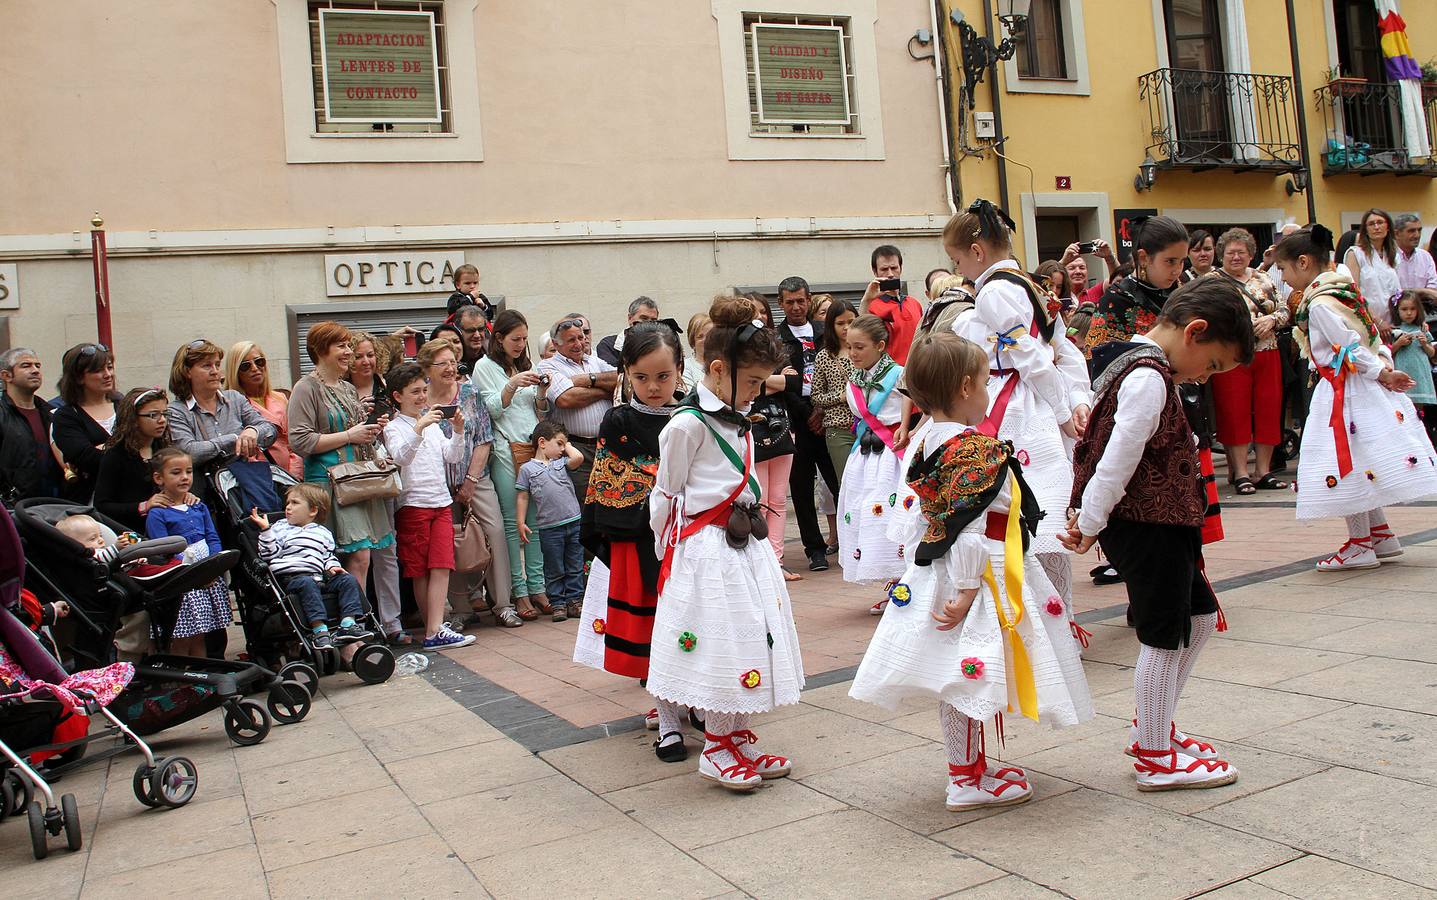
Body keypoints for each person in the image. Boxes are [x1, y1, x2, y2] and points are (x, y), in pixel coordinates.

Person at [850, 332, 1092, 809]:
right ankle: (965, 778)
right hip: (977, 578)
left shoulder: (921, 440)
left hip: (939, 574)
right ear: (964, 388)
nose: (990, 392)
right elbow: (972, 527)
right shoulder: (975, 451)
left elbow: (913, 520)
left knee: (959, 675)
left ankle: (969, 767)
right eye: (985, 382)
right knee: (969, 675)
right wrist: (963, 587)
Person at [1063, 276, 1254, 790]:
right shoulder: (1147, 376)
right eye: (1213, 365)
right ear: (1194, 332)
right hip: (1149, 523)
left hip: (1163, 521)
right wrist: (1090, 519)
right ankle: (1153, 752)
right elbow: (1117, 454)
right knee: (1164, 635)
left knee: (1202, 616)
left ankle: (1156, 725)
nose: (1207, 377)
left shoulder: (1142, 367)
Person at [646, 296, 804, 792]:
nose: (759, 392)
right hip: (707, 550)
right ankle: (715, 748)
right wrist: (669, 552)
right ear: (718, 370)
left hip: (743, 547)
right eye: (754, 381)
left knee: (750, 634)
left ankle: (735, 737)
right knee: (721, 640)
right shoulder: (687, 424)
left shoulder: (740, 416)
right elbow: (666, 494)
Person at [950, 201, 1080, 627]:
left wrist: (1064, 408)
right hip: (1033, 399)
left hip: (1013, 403)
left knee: (1019, 513)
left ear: (977, 251)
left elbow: (1029, 355)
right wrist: (1071, 399)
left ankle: (1032, 621)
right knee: (1042, 517)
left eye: (957, 260)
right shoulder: (1029, 283)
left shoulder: (993, 291)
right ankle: (1055, 615)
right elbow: (1060, 347)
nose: (959, 269)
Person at [1279, 226, 1437, 570]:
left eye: (1286, 269)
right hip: (1362, 385)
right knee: (1363, 459)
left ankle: (1360, 543)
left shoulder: (1319, 303)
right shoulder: (1345, 291)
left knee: (1345, 461)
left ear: (1303, 263)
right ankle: (1379, 533)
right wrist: (1383, 365)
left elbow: (1348, 346)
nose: (1285, 277)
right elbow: (1372, 333)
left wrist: (1380, 372)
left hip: (1344, 389)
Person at [574, 322, 692, 759]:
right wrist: (665, 486)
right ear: (626, 373)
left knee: (686, 623)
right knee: (651, 628)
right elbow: (610, 483)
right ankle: (666, 718)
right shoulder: (618, 420)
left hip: (688, 540)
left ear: (680, 370)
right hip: (636, 541)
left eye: (663, 376)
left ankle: (691, 700)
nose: (654, 387)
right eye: (642, 377)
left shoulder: (693, 414)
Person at [287, 322, 395, 588]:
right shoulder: (306, 387)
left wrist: (370, 433)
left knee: (361, 556)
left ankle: (354, 619)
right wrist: (350, 435)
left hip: (355, 482)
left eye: (348, 345)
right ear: (321, 350)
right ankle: (349, 619)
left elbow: (355, 434)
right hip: (327, 483)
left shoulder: (346, 388)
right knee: (347, 556)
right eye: (341, 346)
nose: (348, 352)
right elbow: (299, 440)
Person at [382, 361, 475, 650]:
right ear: (397, 396)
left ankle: (435, 628)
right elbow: (400, 458)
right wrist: (419, 427)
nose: (423, 397)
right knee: (420, 570)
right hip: (412, 504)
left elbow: (452, 456)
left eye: (424, 390)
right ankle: (432, 628)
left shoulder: (432, 423)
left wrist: (458, 431)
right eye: (415, 392)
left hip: (441, 502)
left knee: (441, 566)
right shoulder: (394, 427)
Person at [431, 339, 522, 627]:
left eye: (451, 362)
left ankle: (503, 604)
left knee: (494, 531)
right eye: (441, 363)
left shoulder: (469, 393)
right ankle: (461, 608)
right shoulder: (421, 398)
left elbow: (484, 439)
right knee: (452, 541)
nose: (449, 368)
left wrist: (470, 479)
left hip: (477, 478)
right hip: (440, 486)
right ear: (427, 369)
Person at [472, 309, 551, 621]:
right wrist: (512, 384)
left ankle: (538, 587)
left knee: (534, 520)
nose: (520, 345)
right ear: (499, 338)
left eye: (524, 339)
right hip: (505, 449)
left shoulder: (522, 364)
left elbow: (539, 412)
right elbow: (489, 410)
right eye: (515, 339)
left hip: (532, 447)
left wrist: (542, 391)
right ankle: (519, 592)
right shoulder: (483, 366)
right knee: (511, 522)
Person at [1209, 228, 1289, 493]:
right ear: (1221, 255)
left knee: (1268, 407)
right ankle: (1241, 472)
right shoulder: (1212, 282)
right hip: (1232, 354)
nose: (1235, 257)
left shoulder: (1263, 279)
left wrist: (1272, 320)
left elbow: (1285, 308)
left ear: (1251, 254)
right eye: (1230, 252)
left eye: (1241, 252)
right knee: (1234, 411)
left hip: (1268, 350)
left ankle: (1263, 470)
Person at [836, 315, 909, 607]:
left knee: (893, 513)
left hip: (891, 455)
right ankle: (892, 585)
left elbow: (911, 397)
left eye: (860, 347)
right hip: (865, 457)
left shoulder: (898, 373)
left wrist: (906, 426)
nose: (853, 353)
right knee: (866, 514)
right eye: (850, 347)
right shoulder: (854, 380)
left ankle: (903, 581)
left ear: (880, 346)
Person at [251, 483, 374, 649]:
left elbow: (327, 555)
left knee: (348, 580)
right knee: (307, 583)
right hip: (292, 578)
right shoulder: (279, 528)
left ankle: (348, 624)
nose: (288, 507)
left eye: (295, 503)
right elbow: (269, 555)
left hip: (318, 577)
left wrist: (332, 566)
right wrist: (266, 531)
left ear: (313, 510)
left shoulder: (323, 533)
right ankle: (319, 629)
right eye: (287, 503)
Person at [345, 330, 407, 645]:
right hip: (353, 476)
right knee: (358, 553)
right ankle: (359, 621)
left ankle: (392, 622)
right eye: (358, 355)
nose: (366, 361)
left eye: (370, 354)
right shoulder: (341, 391)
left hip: (383, 473)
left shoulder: (386, 385)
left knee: (387, 549)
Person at [776, 276, 839, 574]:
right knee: (801, 489)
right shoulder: (777, 339)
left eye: (801, 300)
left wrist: (822, 411)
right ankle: (815, 549)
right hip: (797, 422)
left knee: (840, 482)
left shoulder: (824, 332)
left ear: (809, 299)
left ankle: (851, 541)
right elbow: (782, 383)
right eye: (790, 302)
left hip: (829, 417)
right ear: (781, 304)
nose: (796, 307)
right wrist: (807, 413)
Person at [144, 447, 232, 657]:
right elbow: (162, 549)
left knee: (201, 633)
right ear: (159, 478)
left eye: (189, 471)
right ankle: (183, 681)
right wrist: (190, 574)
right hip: (182, 578)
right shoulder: (158, 513)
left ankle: (202, 679)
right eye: (176, 473)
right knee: (182, 635)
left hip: (207, 574)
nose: (184, 477)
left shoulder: (197, 506)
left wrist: (214, 565)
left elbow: (212, 536)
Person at [165, 339, 278, 482]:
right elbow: (189, 453)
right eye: (207, 366)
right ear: (187, 372)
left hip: (244, 484)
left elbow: (270, 430)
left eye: (217, 365)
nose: (215, 371)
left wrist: (252, 432)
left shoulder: (235, 398)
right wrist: (235, 438)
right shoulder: (177, 411)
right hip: (205, 492)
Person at [537, 315, 619, 501]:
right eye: (571, 340)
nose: (578, 344)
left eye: (581, 337)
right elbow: (566, 399)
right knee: (583, 505)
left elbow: (621, 380)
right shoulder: (547, 365)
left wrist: (587, 379)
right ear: (556, 345)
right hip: (574, 449)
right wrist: (605, 391)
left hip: (606, 446)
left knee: (609, 501)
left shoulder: (594, 362)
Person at [517, 421, 585, 621]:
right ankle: (558, 604)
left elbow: (578, 457)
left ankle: (575, 601)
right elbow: (522, 496)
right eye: (559, 443)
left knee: (574, 564)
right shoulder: (527, 469)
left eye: (564, 445)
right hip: (549, 529)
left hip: (574, 522)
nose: (563, 449)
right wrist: (520, 522)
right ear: (542, 442)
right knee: (554, 567)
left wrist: (567, 445)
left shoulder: (561, 464)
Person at [95, 388, 183, 532]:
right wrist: (144, 506)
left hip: (168, 527)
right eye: (153, 415)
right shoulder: (116, 456)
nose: (162, 420)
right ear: (134, 419)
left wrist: (184, 495)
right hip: (133, 533)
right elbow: (102, 506)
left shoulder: (164, 449)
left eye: (165, 414)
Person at [52, 342, 119, 502]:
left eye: (109, 367)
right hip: (91, 501)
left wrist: (103, 447)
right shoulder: (66, 416)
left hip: (137, 498)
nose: (107, 374)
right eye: (98, 370)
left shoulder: (125, 406)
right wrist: (128, 447)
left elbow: (152, 448)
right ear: (79, 377)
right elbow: (87, 459)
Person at [226, 342, 302, 479]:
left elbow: (292, 441)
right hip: (259, 478)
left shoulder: (281, 397)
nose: (255, 368)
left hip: (290, 476)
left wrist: (294, 476)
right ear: (236, 371)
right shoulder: (232, 405)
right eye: (245, 366)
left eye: (259, 361)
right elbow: (242, 452)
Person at [0, 348, 64, 501]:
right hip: (13, 507)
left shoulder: (52, 413)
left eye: (37, 366)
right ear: (6, 375)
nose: (35, 370)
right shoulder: (2, 414)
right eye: (26, 365)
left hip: (54, 503)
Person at [810, 299, 858, 483]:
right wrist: (840, 397)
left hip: (868, 427)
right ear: (831, 325)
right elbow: (815, 397)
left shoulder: (865, 350)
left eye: (851, 322)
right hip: (838, 430)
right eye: (840, 323)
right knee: (848, 483)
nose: (846, 327)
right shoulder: (824, 356)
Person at [862, 244, 924, 364]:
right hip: (888, 374)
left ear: (901, 268)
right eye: (884, 269)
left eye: (894, 267)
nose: (890, 274)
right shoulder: (871, 306)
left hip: (917, 370)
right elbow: (861, 337)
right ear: (875, 272)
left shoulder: (914, 303)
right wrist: (866, 300)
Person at [1345, 208, 1401, 336]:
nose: (1376, 227)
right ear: (1365, 230)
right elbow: (1353, 292)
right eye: (1371, 224)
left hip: (1394, 324)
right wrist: (1377, 320)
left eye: (1380, 222)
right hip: (1367, 324)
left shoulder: (1394, 255)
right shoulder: (1355, 254)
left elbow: (1400, 292)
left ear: (1388, 227)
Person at [1392, 291, 1437, 412]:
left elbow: (1432, 353)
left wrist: (1424, 344)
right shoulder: (1395, 330)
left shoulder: (1422, 329)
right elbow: (1389, 352)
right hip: (1402, 370)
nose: (1409, 313)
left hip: (1420, 372)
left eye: (1413, 309)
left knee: (1418, 408)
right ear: (1398, 311)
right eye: (1404, 309)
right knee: (1403, 405)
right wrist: (1399, 343)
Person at [595, 296, 661, 367]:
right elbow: (611, 375)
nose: (649, 324)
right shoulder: (608, 345)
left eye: (653, 321)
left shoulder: (663, 345)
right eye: (644, 318)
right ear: (630, 318)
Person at [1060, 240, 1118, 307]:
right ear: (1064, 273)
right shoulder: (1057, 295)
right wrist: (1062, 262)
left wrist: (1109, 257)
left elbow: (1118, 281)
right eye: (1072, 268)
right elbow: (1046, 284)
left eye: (1082, 268)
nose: (1078, 272)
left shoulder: (1096, 292)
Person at [1394, 213, 1437, 292]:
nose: (1417, 235)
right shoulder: (1387, 256)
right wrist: (1422, 291)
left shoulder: (1425, 257)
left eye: (1419, 230)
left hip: (1423, 303)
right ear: (1396, 234)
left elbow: (1433, 289)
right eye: (1411, 231)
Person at [454, 305, 490, 375]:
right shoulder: (451, 360)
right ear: (458, 331)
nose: (477, 335)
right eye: (470, 330)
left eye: (480, 329)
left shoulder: (494, 356)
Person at [682, 313, 712, 391]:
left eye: (710, 336)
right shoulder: (685, 367)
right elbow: (690, 397)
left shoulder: (726, 364)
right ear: (693, 341)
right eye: (700, 336)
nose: (706, 340)